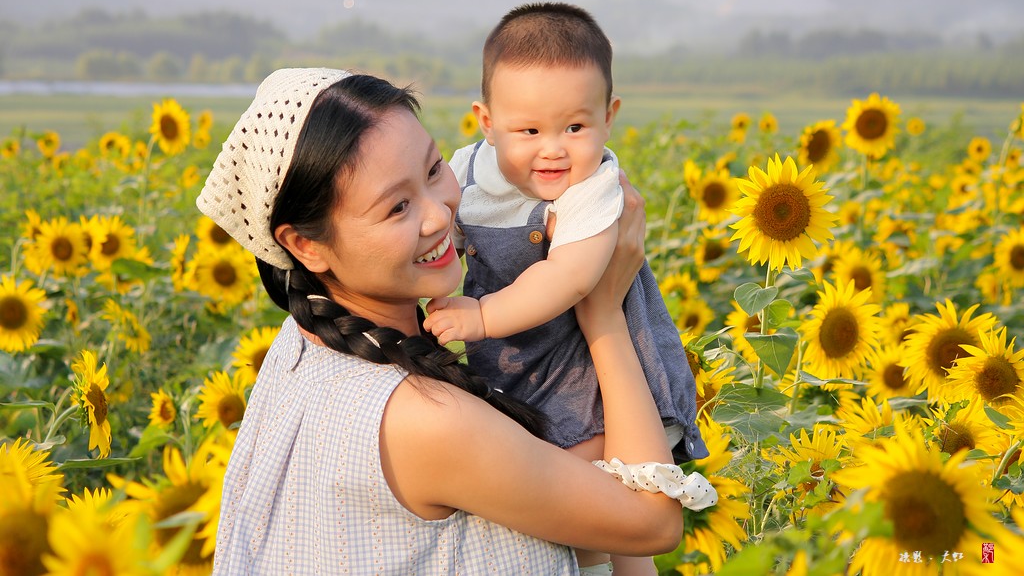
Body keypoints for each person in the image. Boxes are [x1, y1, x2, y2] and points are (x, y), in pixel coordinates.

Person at [198, 68, 716, 575]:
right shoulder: (426, 420)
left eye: (432, 170)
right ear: (305, 244)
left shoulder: (303, 347)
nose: (440, 214)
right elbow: (652, 524)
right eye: (398, 207)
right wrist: (603, 311)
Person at [421, 4, 711, 575]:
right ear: (486, 121)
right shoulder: (470, 169)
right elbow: (446, 228)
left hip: (583, 370)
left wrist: (481, 318)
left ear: (609, 116)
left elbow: (572, 276)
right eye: (528, 130)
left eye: (575, 127)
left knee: (600, 514)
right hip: (515, 362)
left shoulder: (594, 186)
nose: (553, 148)